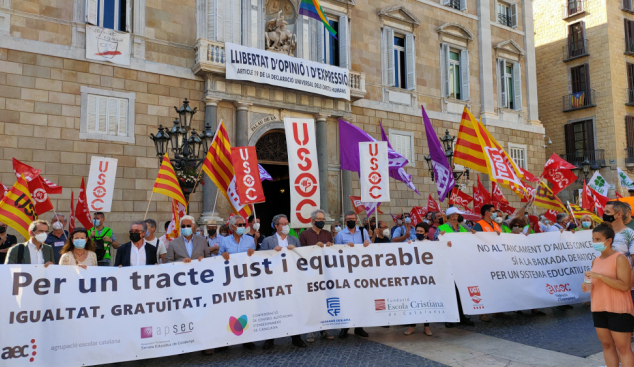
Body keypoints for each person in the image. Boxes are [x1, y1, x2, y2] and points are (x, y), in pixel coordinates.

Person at [583, 224, 634, 367]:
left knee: (623, 348)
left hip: (619, 309)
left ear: (609, 240)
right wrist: (588, 285)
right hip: (599, 308)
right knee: (606, 345)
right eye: (593, 239)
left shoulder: (620, 258)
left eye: (598, 239)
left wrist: (600, 276)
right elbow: (597, 283)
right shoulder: (596, 260)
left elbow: (625, 286)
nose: (595, 242)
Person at [259, 214, 306, 349]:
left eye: (287, 223)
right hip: (274, 280)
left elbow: (302, 257)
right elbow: (260, 258)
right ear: (276, 226)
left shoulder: (294, 239)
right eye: (283, 223)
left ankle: (296, 337)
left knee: (293, 307)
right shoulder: (268, 241)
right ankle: (270, 339)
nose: (286, 226)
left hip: (291, 279)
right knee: (273, 307)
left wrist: (295, 251)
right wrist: (271, 252)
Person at [218, 215, 256, 351]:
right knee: (228, 309)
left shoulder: (250, 240)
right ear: (232, 226)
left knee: (245, 308)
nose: (242, 227)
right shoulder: (225, 241)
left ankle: (247, 339)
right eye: (239, 225)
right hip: (230, 280)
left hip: (245, 280)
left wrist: (253, 252)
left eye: (243, 224)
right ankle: (225, 341)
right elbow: (218, 259)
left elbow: (255, 258)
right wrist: (222, 255)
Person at [298, 209, 335, 342]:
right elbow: (300, 252)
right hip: (310, 273)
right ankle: (310, 331)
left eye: (323, 219)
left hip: (325, 272)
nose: (322, 221)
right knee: (311, 301)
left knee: (324, 300)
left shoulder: (327, 233)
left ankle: (325, 328)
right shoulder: (304, 234)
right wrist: (314, 248)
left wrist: (330, 246)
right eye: (319, 219)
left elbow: (333, 250)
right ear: (312, 220)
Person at [435, 207, 476, 328]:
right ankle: (450, 317)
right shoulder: (442, 229)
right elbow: (434, 245)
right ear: (452, 216)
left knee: (462, 291)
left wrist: (473, 235)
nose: (460, 217)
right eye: (458, 214)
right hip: (448, 264)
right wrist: (440, 240)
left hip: (462, 264)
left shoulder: (463, 228)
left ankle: (462, 316)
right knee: (451, 292)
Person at [335, 211, 371, 339]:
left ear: (356, 220)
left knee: (360, 299)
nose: (351, 221)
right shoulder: (340, 235)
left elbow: (370, 247)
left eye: (353, 219)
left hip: (361, 270)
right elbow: (336, 252)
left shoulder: (363, 232)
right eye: (348, 219)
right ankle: (345, 328)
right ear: (345, 221)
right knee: (347, 300)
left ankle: (359, 327)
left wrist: (367, 244)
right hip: (347, 272)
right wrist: (345, 247)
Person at [405, 222, 433, 336]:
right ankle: (412, 326)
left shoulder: (431, 244)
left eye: (421, 232)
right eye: (417, 231)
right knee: (413, 300)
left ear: (426, 233)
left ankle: (427, 327)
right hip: (414, 277)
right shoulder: (410, 243)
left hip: (427, 278)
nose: (419, 233)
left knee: (427, 301)